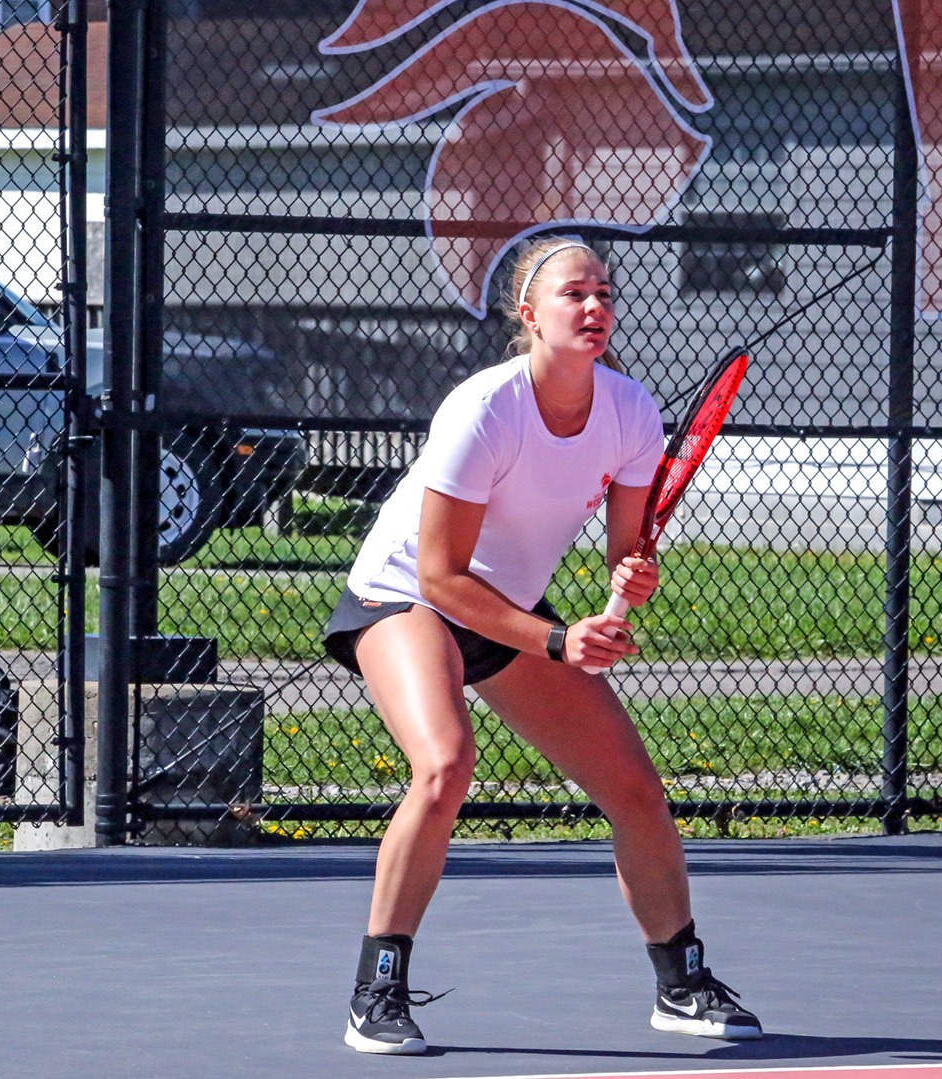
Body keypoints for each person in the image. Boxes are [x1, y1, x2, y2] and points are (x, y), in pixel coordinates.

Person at [323, 236, 762, 1055]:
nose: (594, 306)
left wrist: (630, 582)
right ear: (529, 314)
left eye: (604, 293)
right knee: (446, 763)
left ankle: (682, 981)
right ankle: (375, 990)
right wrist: (561, 640)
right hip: (404, 595)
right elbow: (444, 576)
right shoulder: (484, 407)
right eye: (574, 294)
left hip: (512, 605)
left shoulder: (631, 410)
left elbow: (628, 549)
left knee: (633, 786)